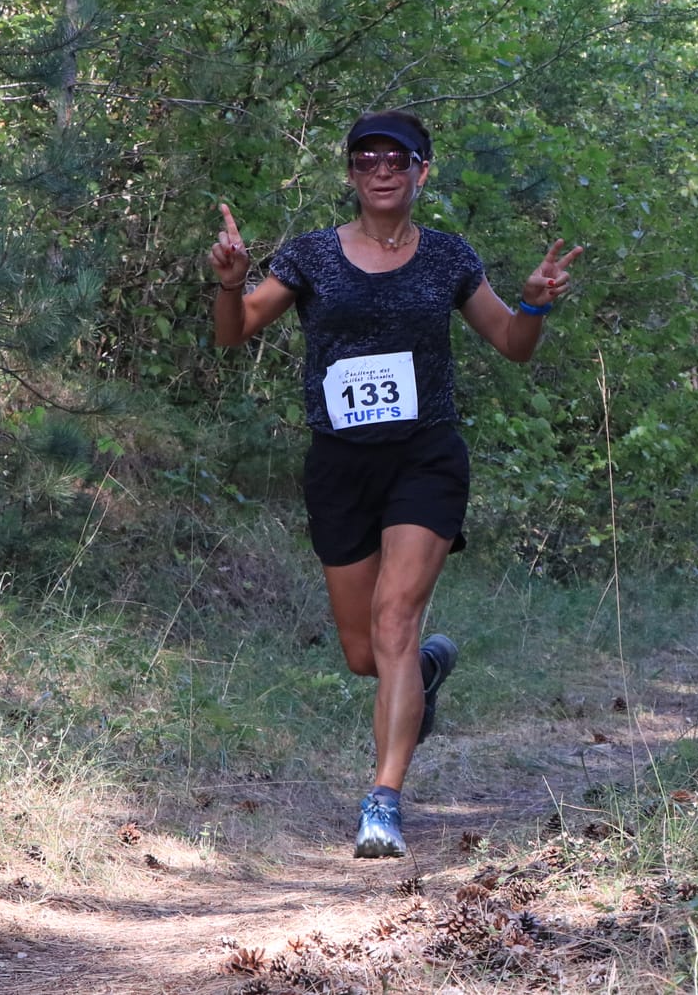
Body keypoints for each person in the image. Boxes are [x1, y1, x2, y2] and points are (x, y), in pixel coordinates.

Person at [208, 110, 581, 859]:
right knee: (364, 653)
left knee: (395, 621)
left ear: (422, 171)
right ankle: (426, 671)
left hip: (424, 457)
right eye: (366, 158)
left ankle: (382, 800)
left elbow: (512, 343)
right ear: (350, 173)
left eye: (397, 158)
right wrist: (231, 283)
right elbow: (233, 331)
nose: (381, 169)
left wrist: (535, 302)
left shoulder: (447, 257)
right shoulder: (310, 254)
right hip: (340, 464)